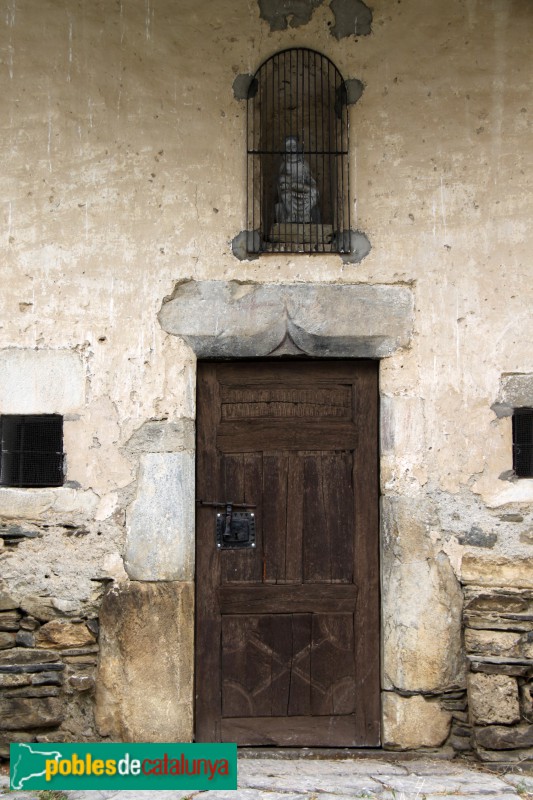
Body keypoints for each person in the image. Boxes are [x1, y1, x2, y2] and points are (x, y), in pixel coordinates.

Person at [275, 136, 320, 224]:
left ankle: (305, 214)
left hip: (302, 188)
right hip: (290, 189)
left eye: (293, 147)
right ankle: (292, 214)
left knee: (314, 193)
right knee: (285, 195)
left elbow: (310, 179)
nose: (291, 150)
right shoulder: (284, 165)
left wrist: (311, 185)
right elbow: (280, 181)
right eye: (288, 148)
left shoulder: (303, 164)